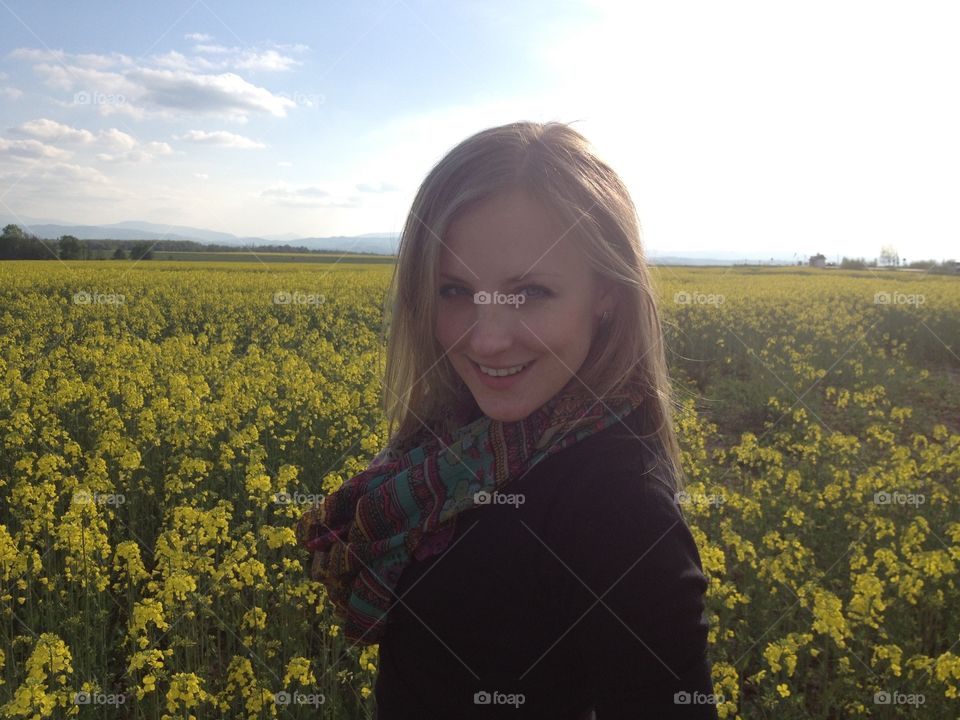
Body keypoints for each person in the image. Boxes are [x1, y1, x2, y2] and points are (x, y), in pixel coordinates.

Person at [296, 120, 719, 718]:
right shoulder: (453, 435)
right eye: (454, 290)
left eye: (530, 293)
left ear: (606, 294)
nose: (488, 340)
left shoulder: (620, 511)